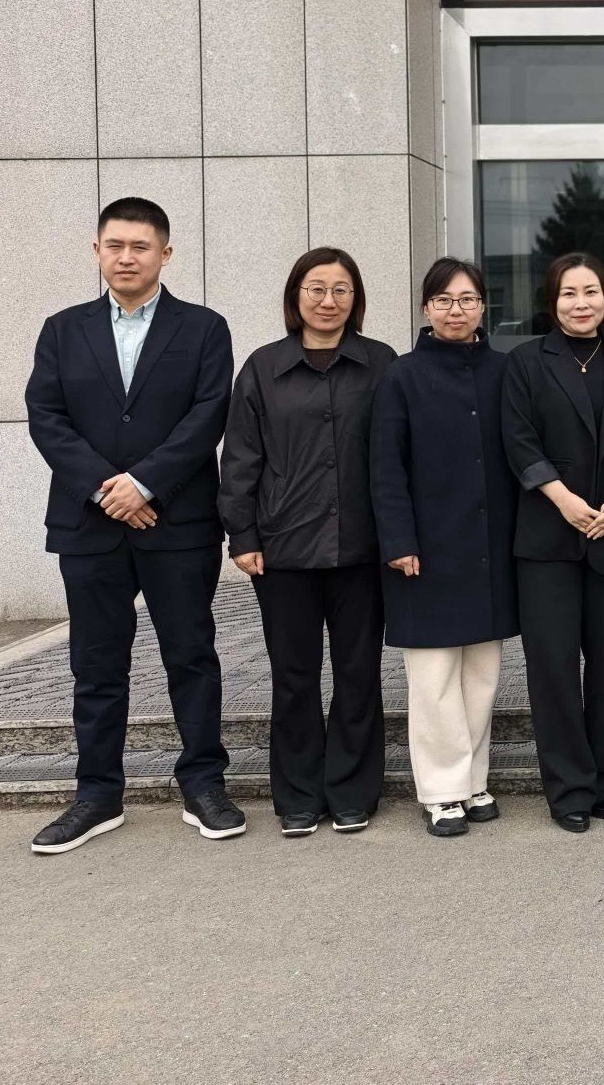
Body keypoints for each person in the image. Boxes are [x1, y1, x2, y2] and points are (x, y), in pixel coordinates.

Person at [23, 197, 240, 854]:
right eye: (114, 245)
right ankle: (97, 795)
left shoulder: (203, 329)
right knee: (96, 665)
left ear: (164, 254)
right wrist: (106, 488)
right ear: (97, 251)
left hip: (178, 524)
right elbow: (46, 417)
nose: (126, 257)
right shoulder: (63, 330)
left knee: (191, 657)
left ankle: (203, 784)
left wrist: (143, 484)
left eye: (140, 247)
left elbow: (208, 415)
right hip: (89, 527)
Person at [218, 248, 395, 837]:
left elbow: (398, 454)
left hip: (363, 548)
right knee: (293, 676)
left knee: (358, 672)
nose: (328, 300)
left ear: (356, 299)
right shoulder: (263, 368)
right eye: (316, 288)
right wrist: (242, 534)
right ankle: (297, 795)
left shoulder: (380, 363)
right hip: (283, 550)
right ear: (296, 296)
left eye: (341, 289)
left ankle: (352, 791)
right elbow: (240, 459)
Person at [502, 252, 604, 834]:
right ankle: (568, 787)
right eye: (569, 293)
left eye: (590, 291)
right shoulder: (524, 362)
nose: (581, 303)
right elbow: (518, 439)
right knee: (553, 667)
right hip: (548, 538)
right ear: (553, 301)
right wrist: (563, 499)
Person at [371, 258, 519, 838]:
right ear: (426, 307)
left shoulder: (505, 371)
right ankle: (440, 791)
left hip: (491, 545)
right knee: (433, 678)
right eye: (444, 300)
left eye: (467, 300)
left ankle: (474, 781)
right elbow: (386, 467)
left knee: (482, 674)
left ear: (483, 306)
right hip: (426, 548)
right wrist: (398, 540)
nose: (456, 311)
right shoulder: (401, 376)